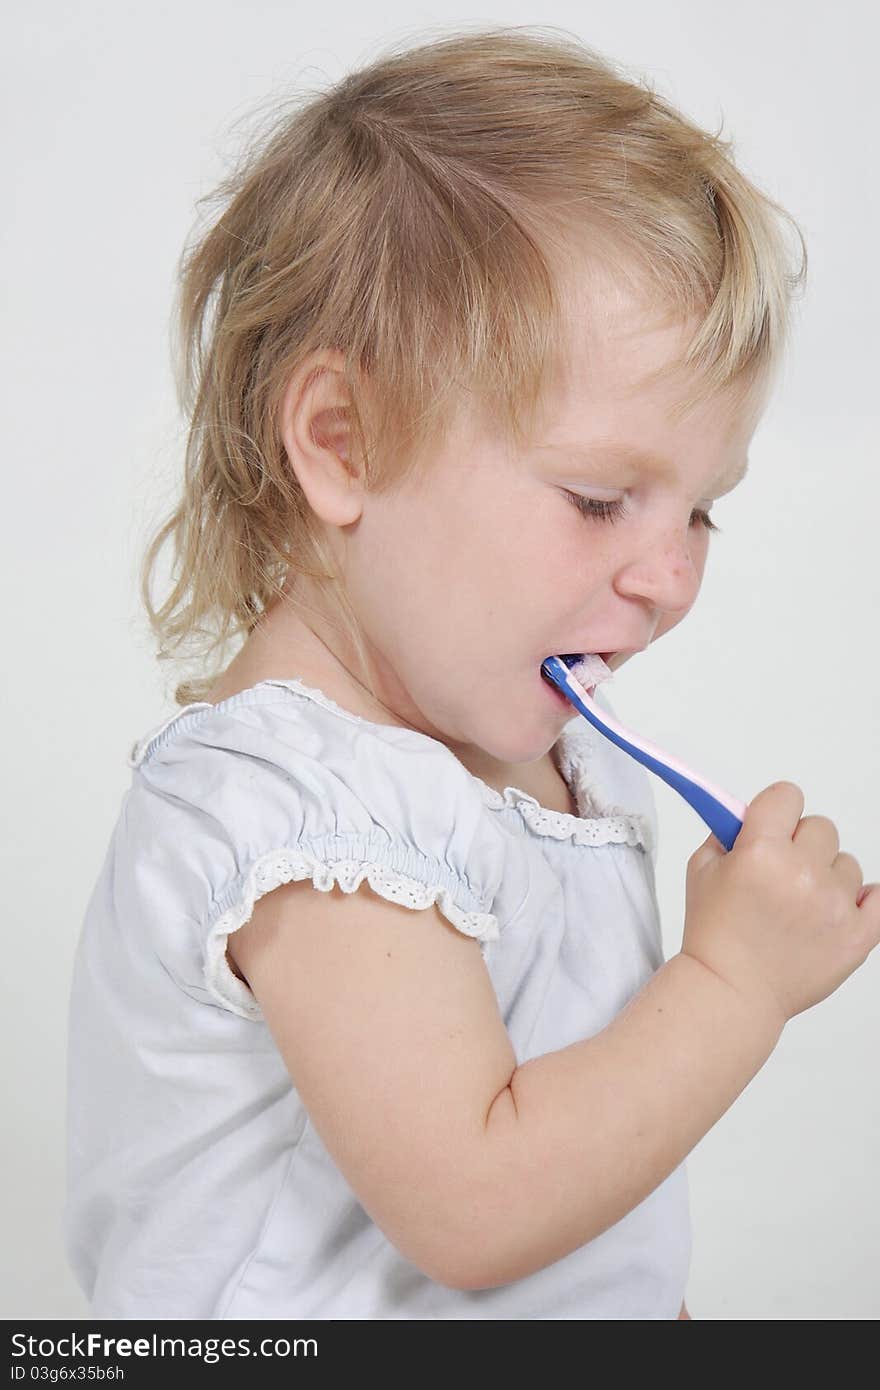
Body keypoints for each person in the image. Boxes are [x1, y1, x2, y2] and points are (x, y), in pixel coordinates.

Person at [63, 25, 878, 1320]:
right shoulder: (312, 810)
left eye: (702, 512)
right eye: (602, 497)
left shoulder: (561, 769)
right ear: (344, 443)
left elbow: (585, 1224)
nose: (669, 575)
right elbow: (479, 1206)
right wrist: (736, 983)